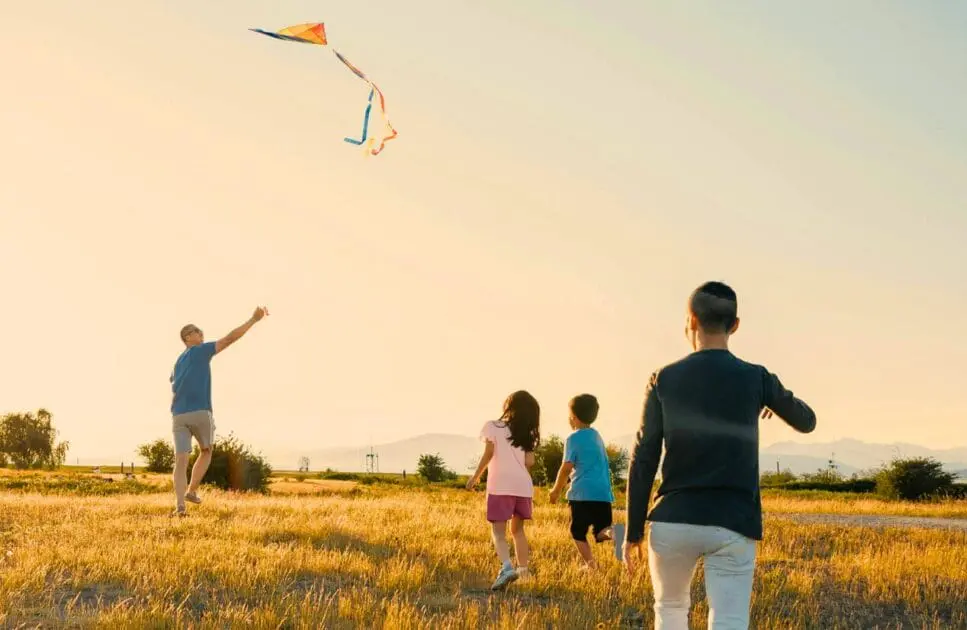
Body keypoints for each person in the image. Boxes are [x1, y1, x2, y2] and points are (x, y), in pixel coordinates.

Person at [624, 281, 816, 629]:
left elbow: (644, 457)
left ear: (691, 320)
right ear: (736, 325)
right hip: (733, 521)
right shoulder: (757, 378)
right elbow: (807, 421)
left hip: (673, 519)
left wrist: (633, 531)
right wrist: (771, 399)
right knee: (729, 619)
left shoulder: (662, 379)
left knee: (669, 609)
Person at [169, 306, 269, 516]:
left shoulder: (178, 361)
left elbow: (172, 380)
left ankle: (180, 507)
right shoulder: (200, 350)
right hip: (200, 411)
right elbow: (230, 338)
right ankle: (192, 491)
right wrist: (253, 320)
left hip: (178, 415)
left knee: (180, 461)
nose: (202, 334)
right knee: (206, 451)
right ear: (188, 337)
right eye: (197, 331)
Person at [467, 390, 541, 591]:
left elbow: (489, 453)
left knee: (498, 532)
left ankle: (507, 568)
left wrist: (476, 476)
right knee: (518, 531)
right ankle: (523, 571)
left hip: (500, 486)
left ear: (509, 406)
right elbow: (530, 461)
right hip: (523, 487)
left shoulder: (493, 427)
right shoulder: (528, 433)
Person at [548, 393, 619, 568]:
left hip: (581, 494)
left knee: (577, 532)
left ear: (573, 417)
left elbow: (566, 468)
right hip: (603, 494)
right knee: (602, 531)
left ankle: (591, 565)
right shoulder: (597, 436)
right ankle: (615, 533)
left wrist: (555, 491)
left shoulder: (573, 438)